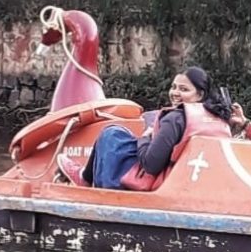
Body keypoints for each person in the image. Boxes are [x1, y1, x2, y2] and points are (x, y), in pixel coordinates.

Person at [58, 66, 231, 190]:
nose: (175, 93)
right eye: (174, 87)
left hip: (160, 179)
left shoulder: (175, 118)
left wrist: (146, 137)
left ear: (199, 95)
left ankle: (85, 178)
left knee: (111, 134)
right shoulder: (219, 117)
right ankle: (85, 176)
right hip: (190, 178)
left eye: (183, 89)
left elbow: (150, 165)